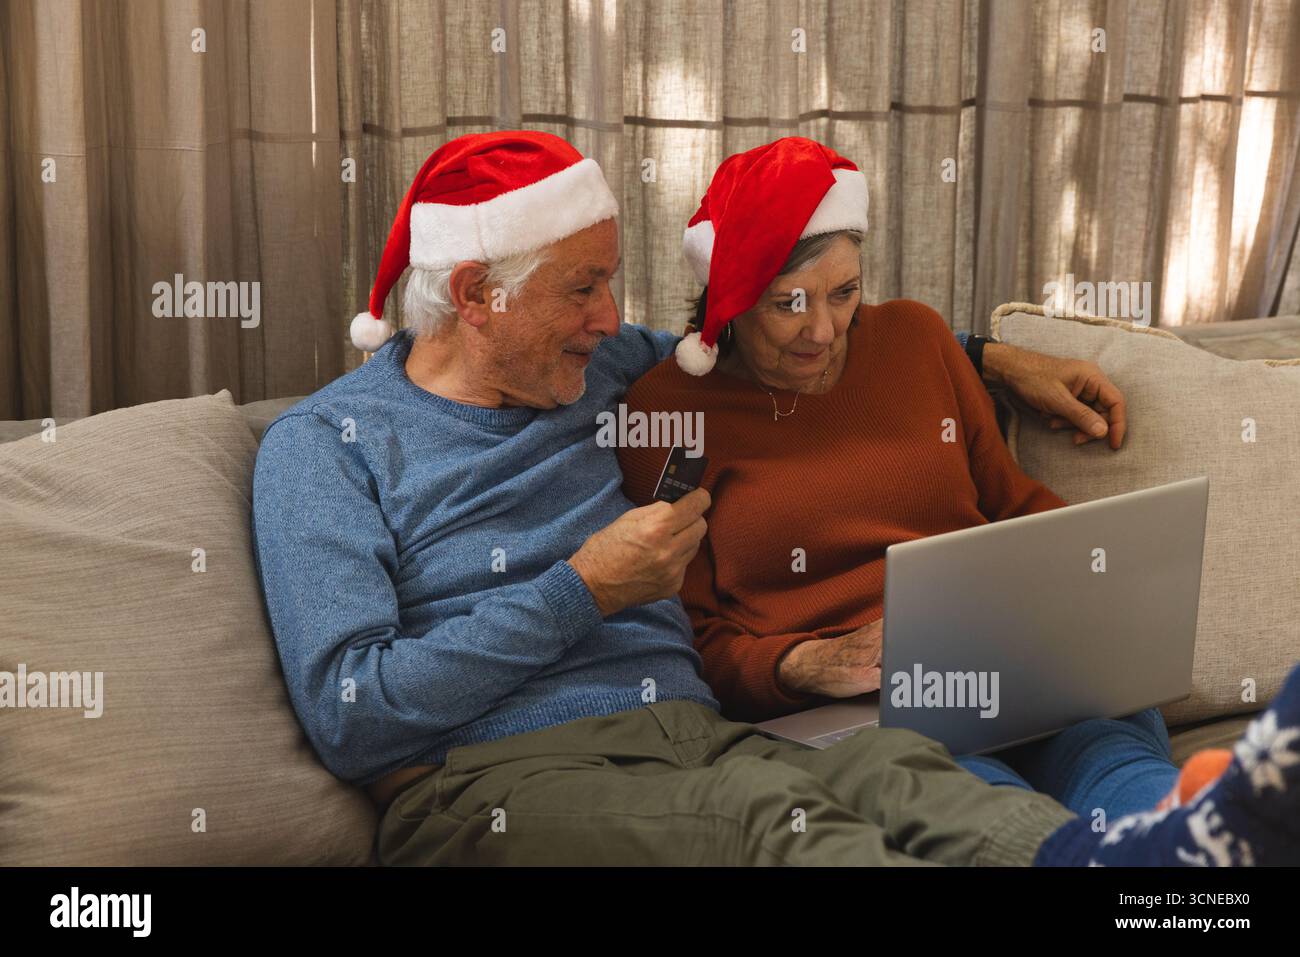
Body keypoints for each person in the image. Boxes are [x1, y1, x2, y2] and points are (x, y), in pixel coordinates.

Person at [251, 130, 1299, 866]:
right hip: (488, 784)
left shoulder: (599, 366)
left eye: (612, 286)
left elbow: (759, 345)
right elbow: (352, 714)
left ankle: (1150, 869)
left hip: (697, 737)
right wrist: (582, 591)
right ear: (477, 295)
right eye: (583, 288)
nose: (613, 316)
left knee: (899, 770)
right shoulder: (327, 449)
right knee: (776, 817)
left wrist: (992, 355)